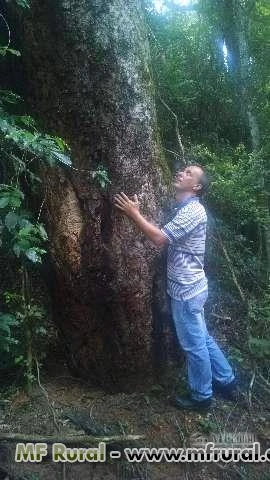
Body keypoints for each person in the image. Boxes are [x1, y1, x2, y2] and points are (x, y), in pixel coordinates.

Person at [114, 164, 239, 411]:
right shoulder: (185, 208)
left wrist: (133, 213)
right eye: (183, 170)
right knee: (202, 338)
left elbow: (160, 239)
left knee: (194, 346)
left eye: (189, 173)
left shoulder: (193, 211)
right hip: (192, 287)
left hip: (186, 291)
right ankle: (227, 381)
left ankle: (202, 397)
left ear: (197, 187)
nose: (181, 173)